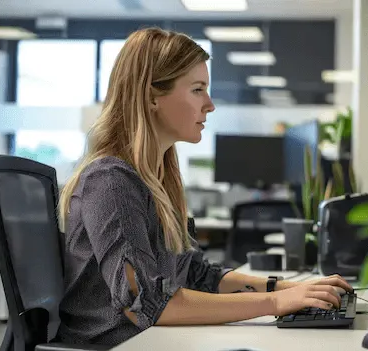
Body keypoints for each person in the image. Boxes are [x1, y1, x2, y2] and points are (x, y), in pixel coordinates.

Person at [55, 27, 352, 346]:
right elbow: (146, 301)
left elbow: (196, 275)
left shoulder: (155, 181)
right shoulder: (111, 179)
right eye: (198, 89)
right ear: (152, 96)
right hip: (115, 344)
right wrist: (276, 303)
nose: (210, 104)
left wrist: (285, 289)